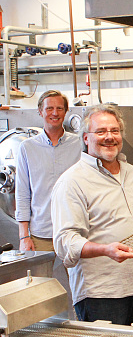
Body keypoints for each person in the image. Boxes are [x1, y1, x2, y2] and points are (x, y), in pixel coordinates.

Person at [51, 104, 133, 326]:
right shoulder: (72, 182)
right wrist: (105, 250)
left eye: (114, 131)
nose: (109, 137)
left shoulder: (132, 172)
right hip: (103, 295)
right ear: (86, 138)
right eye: (101, 132)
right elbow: (65, 243)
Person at [15, 90, 81, 251]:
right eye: (49, 108)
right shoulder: (27, 147)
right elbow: (22, 193)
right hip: (41, 233)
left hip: (75, 230)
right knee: (40, 277)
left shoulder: (80, 144)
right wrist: (24, 236)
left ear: (66, 112)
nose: (55, 113)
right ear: (40, 111)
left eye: (59, 108)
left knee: (80, 277)